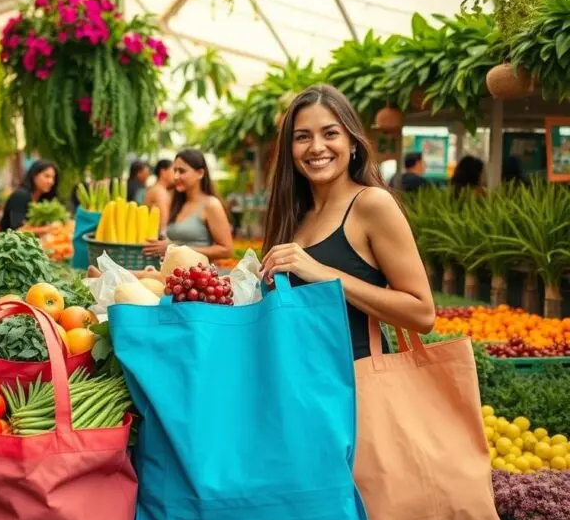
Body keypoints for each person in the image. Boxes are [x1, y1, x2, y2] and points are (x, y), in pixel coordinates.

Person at [259, 84, 434, 371]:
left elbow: (422, 314)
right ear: (290, 149)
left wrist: (324, 274)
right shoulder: (293, 215)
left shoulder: (372, 204)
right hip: (299, 386)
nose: (316, 147)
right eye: (303, 137)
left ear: (352, 143)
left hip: (358, 388)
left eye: (330, 133)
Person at [142, 148, 234, 262]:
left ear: (200, 173)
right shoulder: (176, 203)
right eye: (174, 170)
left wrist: (174, 249)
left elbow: (227, 250)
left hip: (198, 277)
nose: (175, 176)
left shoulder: (211, 205)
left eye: (182, 171)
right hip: (171, 274)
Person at [0, 159, 59, 234]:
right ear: (34, 175)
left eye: (53, 178)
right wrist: (48, 229)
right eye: (46, 176)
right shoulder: (21, 196)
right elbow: (18, 230)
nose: (51, 181)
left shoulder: (43, 199)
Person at [143, 159, 174, 232]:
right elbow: (164, 221)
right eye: (174, 170)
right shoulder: (159, 191)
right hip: (157, 236)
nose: (176, 175)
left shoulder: (157, 189)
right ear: (163, 172)